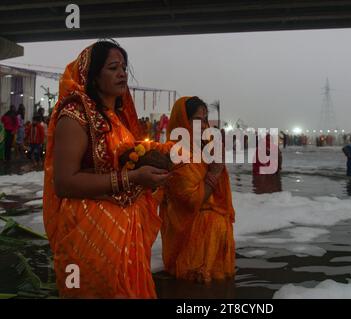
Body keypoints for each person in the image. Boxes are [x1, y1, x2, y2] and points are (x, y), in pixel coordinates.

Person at [43, 40, 172, 298]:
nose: (122, 73)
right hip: (91, 234)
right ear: (92, 76)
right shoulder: (75, 115)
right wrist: (133, 177)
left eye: (123, 67)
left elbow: (123, 159)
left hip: (126, 231)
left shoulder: (117, 119)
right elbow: (65, 182)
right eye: (113, 68)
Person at [158, 96, 235, 284]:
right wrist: (214, 172)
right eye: (197, 119)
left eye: (205, 119)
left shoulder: (202, 147)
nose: (203, 124)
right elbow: (191, 200)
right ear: (182, 121)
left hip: (209, 231)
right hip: (191, 235)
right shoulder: (177, 154)